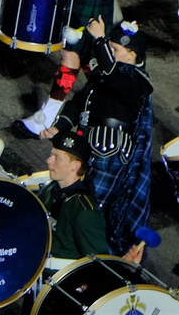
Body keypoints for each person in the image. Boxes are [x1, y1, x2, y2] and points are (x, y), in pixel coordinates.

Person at [44, 19, 155, 255]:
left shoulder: (138, 81)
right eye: (110, 49)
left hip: (110, 159)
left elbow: (117, 80)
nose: (110, 54)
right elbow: (78, 103)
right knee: (71, 197)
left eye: (115, 50)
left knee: (93, 208)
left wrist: (100, 41)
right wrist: (60, 128)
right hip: (88, 149)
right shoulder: (103, 75)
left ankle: (97, 259)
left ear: (133, 54)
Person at [38, 130, 118, 266]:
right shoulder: (49, 189)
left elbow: (98, 263)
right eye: (51, 155)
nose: (49, 160)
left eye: (56, 157)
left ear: (75, 166)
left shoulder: (84, 212)